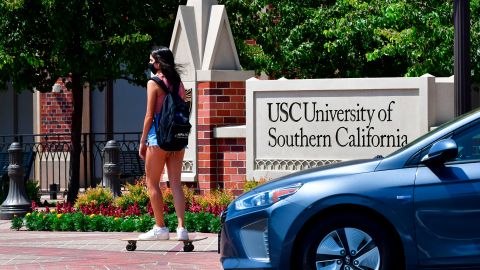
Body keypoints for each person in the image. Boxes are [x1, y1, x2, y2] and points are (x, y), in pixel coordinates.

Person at [138, 46, 189, 240]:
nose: (150, 64)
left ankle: (160, 227)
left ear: (159, 62)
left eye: (152, 60)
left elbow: (150, 115)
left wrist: (142, 141)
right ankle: (182, 228)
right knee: (175, 183)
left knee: (152, 182)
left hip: (157, 138)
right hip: (177, 138)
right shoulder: (178, 83)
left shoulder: (154, 83)